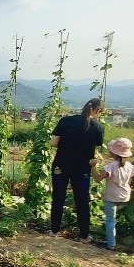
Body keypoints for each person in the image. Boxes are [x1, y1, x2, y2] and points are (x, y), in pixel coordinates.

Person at [48, 98, 105, 242]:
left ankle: (54, 231)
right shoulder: (97, 127)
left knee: (58, 198)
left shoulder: (65, 121)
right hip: (82, 168)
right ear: (98, 111)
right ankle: (84, 236)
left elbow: (54, 143)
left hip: (61, 164)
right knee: (81, 201)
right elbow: (94, 147)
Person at [90, 137, 134, 251]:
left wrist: (93, 167)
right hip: (125, 195)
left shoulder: (110, 167)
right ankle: (117, 239)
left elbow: (97, 179)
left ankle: (111, 244)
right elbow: (129, 181)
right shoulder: (129, 166)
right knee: (116, 219)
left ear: (113, 153)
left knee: (110, 220)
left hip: (111, 196)